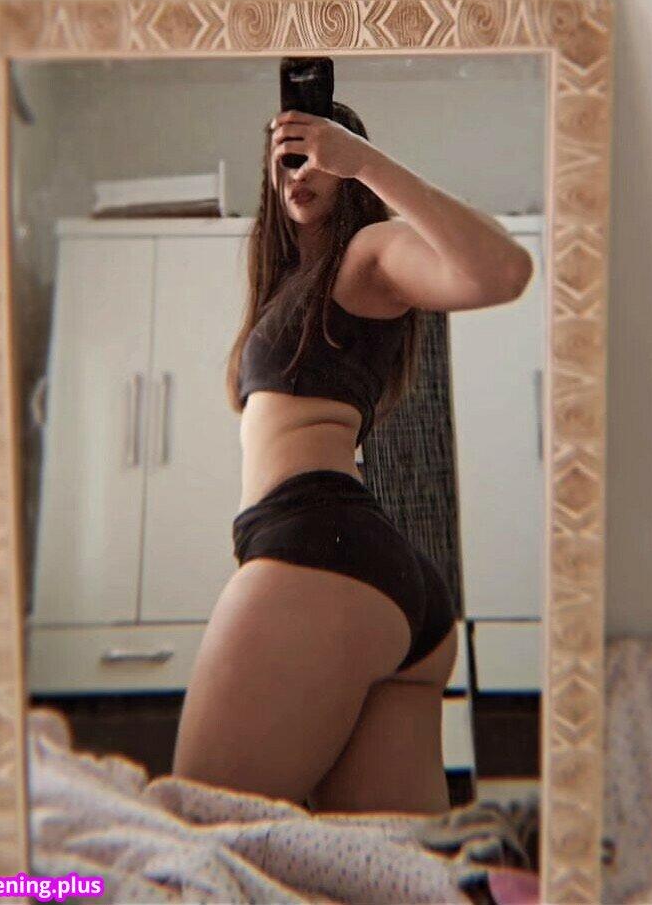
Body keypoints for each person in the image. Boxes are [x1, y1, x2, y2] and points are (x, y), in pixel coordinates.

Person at [172, 100, 533, 814]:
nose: (298, 173)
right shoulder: (289, 286)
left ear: (343, 164)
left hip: (317, 545)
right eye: (285, 159)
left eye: (314, 156)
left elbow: (506, 271)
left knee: (196, 830)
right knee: (380, 867)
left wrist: (364, 162)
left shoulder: (368, 251)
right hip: (365, 574)